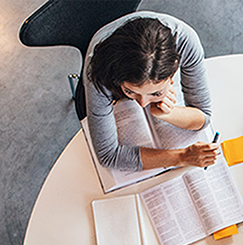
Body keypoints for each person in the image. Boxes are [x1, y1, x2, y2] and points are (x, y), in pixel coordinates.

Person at [84, 12, 218, 171]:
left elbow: (203, 117)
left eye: (155, 93)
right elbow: (108, 156)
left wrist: (168, 113)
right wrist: (182, 156)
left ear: (174, 70)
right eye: (130, 91)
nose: (142, 104)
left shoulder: (186, 41)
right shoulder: (98, 73)